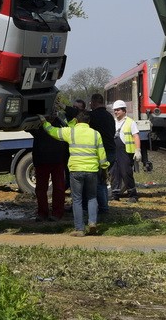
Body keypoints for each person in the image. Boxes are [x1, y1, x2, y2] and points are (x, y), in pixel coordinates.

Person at [42, 106, 108, 236]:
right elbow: (102, 154)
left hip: (76, 171)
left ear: (77, 121)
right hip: (92, 171)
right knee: (92, 197)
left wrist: (44, 121)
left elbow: (52, 131)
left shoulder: (70, 132)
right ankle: (92, 223)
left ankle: (79, 229)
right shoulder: (96, 134)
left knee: (77, 199)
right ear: (89, 122)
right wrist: (104, 169)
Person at [30, 113, 68, 221]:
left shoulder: (60, 124)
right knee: (42, 189)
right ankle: (43, 213)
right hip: (43, 161)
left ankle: (56, 213)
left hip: (56, 161)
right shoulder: (39, 125)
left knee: (59, 188)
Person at [87, 93, 115, 213]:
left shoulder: (92, 116)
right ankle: (105, 206)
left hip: (100, 153)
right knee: (103, 181)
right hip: (111, 152)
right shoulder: (109, 116)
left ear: (94, 102)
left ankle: (103, 209)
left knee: (98, 183)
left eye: (91, 104)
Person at [110, 100, 140, 202]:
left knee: (126, 173)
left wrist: (138, 150)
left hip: (126, 152)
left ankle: (133, 195)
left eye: (118, 110)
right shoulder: (112, 122)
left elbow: (136, 136)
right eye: (115, 110)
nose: (116, 112)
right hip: (115, 150)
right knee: (114, 173)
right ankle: (115, 194)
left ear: (124, 110)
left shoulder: (130, 122)